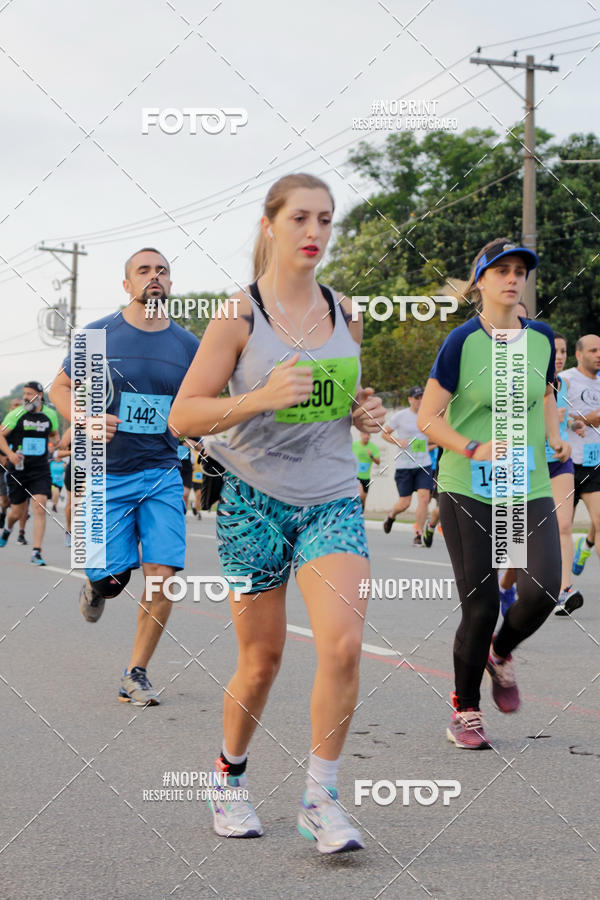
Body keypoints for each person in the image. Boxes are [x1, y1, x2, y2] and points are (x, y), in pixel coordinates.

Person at [170, 173, 385, 853]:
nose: (315, 232)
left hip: (330, 497)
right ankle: (228, 778)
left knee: (343, 645)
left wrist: (364, 410)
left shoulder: (344, 312)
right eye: (300, 218)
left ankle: (321, 798)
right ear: (269, 225)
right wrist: (258, 396)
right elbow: (185, 414)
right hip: (252, 501)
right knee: (261, 661)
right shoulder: (238, 316)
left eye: (326, 219)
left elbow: (342, 394)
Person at [418, 238, 568, 749]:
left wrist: (551, 434)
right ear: (479, 280)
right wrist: (473, 446)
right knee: (480, 607)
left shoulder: (542, 337)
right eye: (500, 270)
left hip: (528, 481)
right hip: (468, 484)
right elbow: (427, 421)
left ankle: (500, 654)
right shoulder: (461, 342)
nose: (512, 278)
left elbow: (545, 390)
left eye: (520, 270)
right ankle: (465, 708)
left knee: (544, 587)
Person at [49, 247, 199, 706]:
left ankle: (136, 672)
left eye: (163, 271)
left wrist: (197, 433)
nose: (155, 277)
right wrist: (84, 418)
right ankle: (97, 584)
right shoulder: (98, 336)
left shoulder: (189, 345)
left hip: (161, 472)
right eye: (144, 271)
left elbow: (202, 401)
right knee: (113, 580)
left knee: (163, 574)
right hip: (104, 473)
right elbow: (59, 386)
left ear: (169, 285)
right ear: (127, 285)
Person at [498, 332, 583, 617]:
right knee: (520, 532)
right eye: (554, 351)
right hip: (525, 460)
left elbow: (567, 418)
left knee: (563, 524)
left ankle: (564, 590)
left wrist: (572, 427)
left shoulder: (565, 385)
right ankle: (506, 584)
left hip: (558, 461)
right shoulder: (519, 380)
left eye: (562, 351)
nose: (558, 356)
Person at [0, 382, 60, 565]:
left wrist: (55, 444)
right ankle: (8, 528)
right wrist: (10, 454)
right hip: (18, 469)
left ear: (40, 395)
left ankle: (36, 552)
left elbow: (54, 436)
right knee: (16, 511)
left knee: (39, 505)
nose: (26, 397)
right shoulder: (16, 414)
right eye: (25, 393)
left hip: (40, 469)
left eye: (30, 394)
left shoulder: (50, 414)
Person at [560, 335, 600, 603]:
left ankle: (586, 547)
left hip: (595, 462)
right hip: (566, 465)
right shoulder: (566, 380)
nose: (599, 354)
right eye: (593, 350)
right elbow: (556, 414)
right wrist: (586, 419)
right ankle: (564, 588)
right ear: (579, 354)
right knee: (563, 527)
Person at [382, 386, 432, 545]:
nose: (420, 400)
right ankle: (391, 515)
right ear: (410, 399)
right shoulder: (400, 416)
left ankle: (419, 533)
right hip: (405, 465)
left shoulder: (429, 415)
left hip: (424, 463)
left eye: (422, 397)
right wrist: (398, 441)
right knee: (405, 503)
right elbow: (384, 433)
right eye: (417, 398)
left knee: (424, 498)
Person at [352, 430, 380, 509]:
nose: (366, 436)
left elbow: (378, 462)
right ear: (361, 435)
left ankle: (361, 515)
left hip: (366, 477)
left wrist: (371, 456)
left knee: (363, 499)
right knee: (360, 496)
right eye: (365, 434)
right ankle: (355, 514)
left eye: (368, 435)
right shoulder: (354, 445)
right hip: (356, 476)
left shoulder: (373, 447)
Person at [56, 428, 72, 547]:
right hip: (75, 471)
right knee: (72, 504)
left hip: (94, 472)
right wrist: (73, 452)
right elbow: (58, 453)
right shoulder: (74, 430)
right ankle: (69, 530)